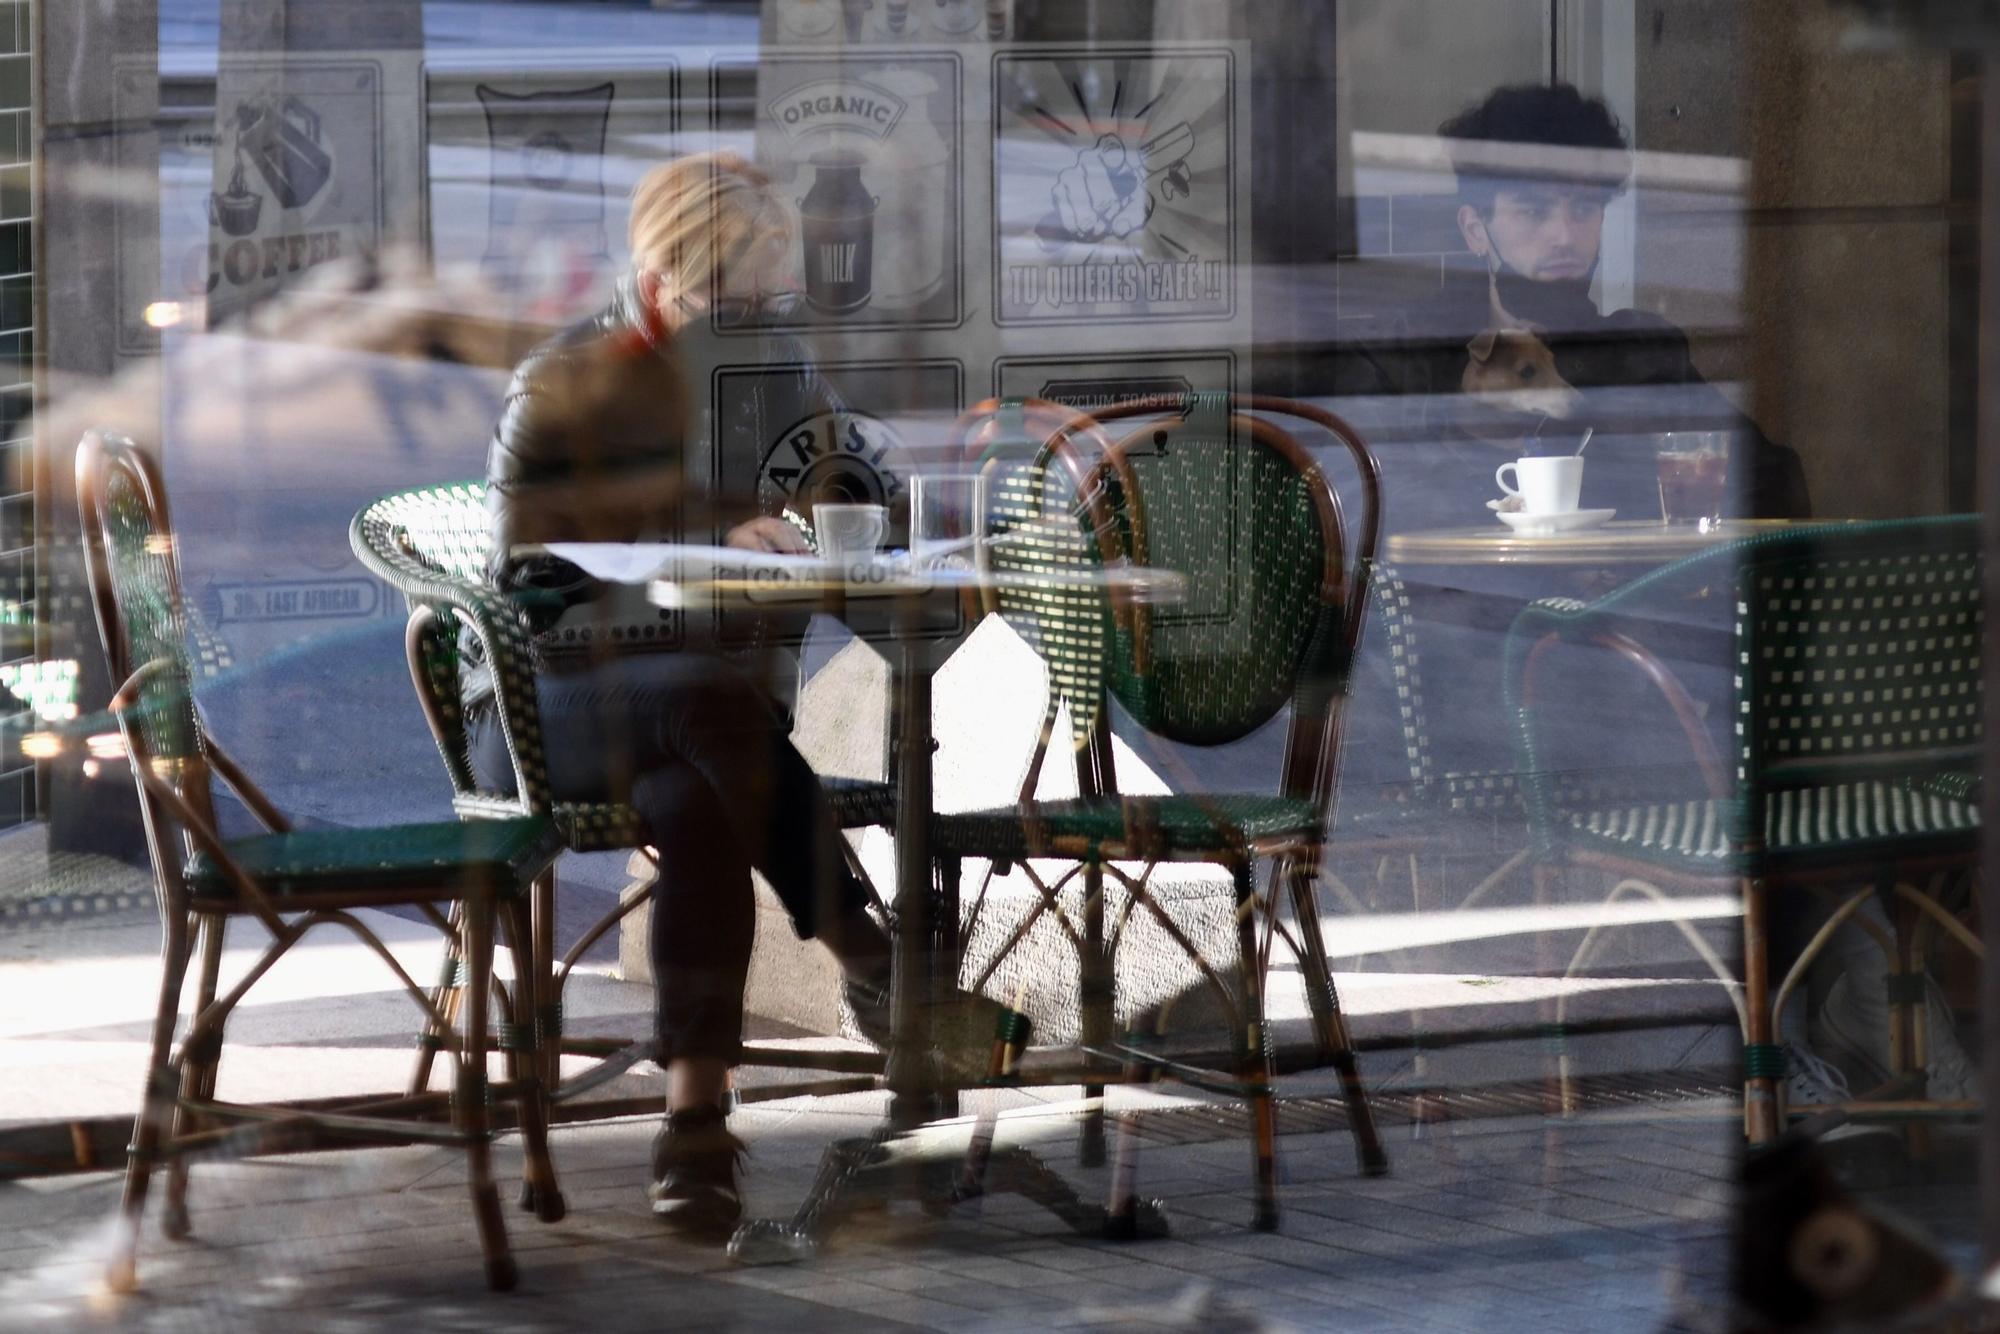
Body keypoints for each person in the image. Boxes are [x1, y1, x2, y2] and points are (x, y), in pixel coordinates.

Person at [1336, 85, 1972, 1118]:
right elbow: (1363, 514)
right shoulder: (1422, 351)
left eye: (1582, 209)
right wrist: (1484, 437)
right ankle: (1799, 1025)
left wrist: (1595, 426)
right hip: (1493, 690)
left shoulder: (1635, 345)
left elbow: (1773, 481)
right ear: (1473, 225)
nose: (1561, 234)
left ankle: (1837, 1003)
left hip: (1641, 671)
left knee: (1797, 727)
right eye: (1531, 211)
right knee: (1751, 732)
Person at [461, 152, 905, 1239]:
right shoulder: (565, 378)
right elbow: (525, 576)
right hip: (541, 710)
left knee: (702, 792)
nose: (748, 321)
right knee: (708, 702)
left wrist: (851, 486)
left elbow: (846, 473)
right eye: (726, 299)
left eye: (764, 300)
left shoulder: (772, 365)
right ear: (663, 279)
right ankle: (874, 960)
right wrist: (702, 539)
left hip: (707, 724)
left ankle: (694, 1135)